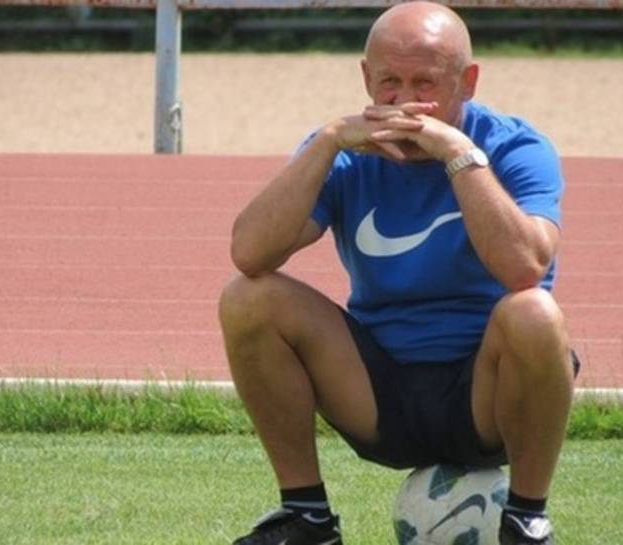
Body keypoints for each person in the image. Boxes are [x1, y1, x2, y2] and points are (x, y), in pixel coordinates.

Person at [218, 3, 578, 544]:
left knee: (534, 312)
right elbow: (250, 253)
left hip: (489, 396)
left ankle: (525, 521)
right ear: (366, 78)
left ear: (467, 82)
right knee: (249, 298)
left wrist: (458, 154)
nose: (405, 101)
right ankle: (306, 518)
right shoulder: (344, 151)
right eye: (389, 82)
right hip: (379, 392)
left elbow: (525, 266)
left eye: (424, 83)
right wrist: (328, 141)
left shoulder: (516, 147)